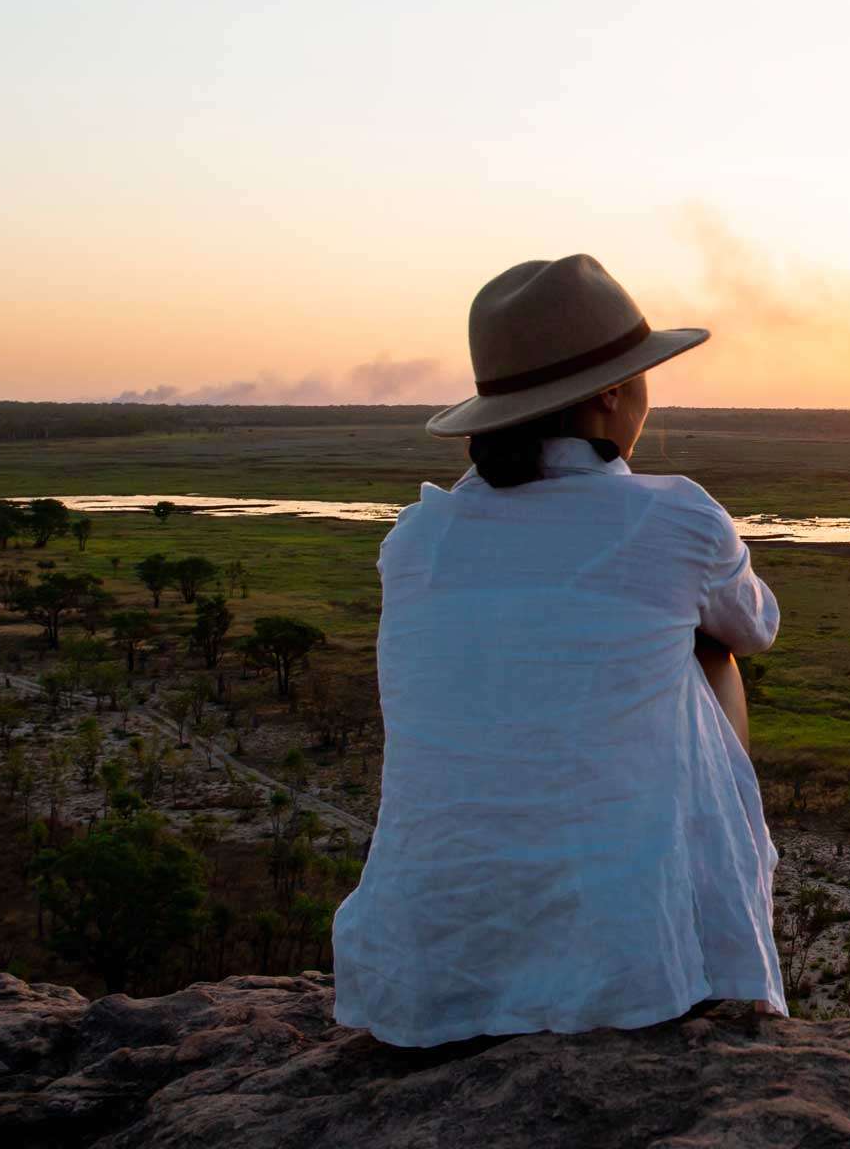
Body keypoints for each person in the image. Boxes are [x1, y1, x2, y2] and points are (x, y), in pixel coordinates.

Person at [331, 253, 784, 1046]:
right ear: (611, 392)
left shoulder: (418, 537)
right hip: (627, 962)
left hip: (430, 959)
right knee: (711, 650)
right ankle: (707, 945)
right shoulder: (674, 516)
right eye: (642, 375)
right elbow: (756, 627)